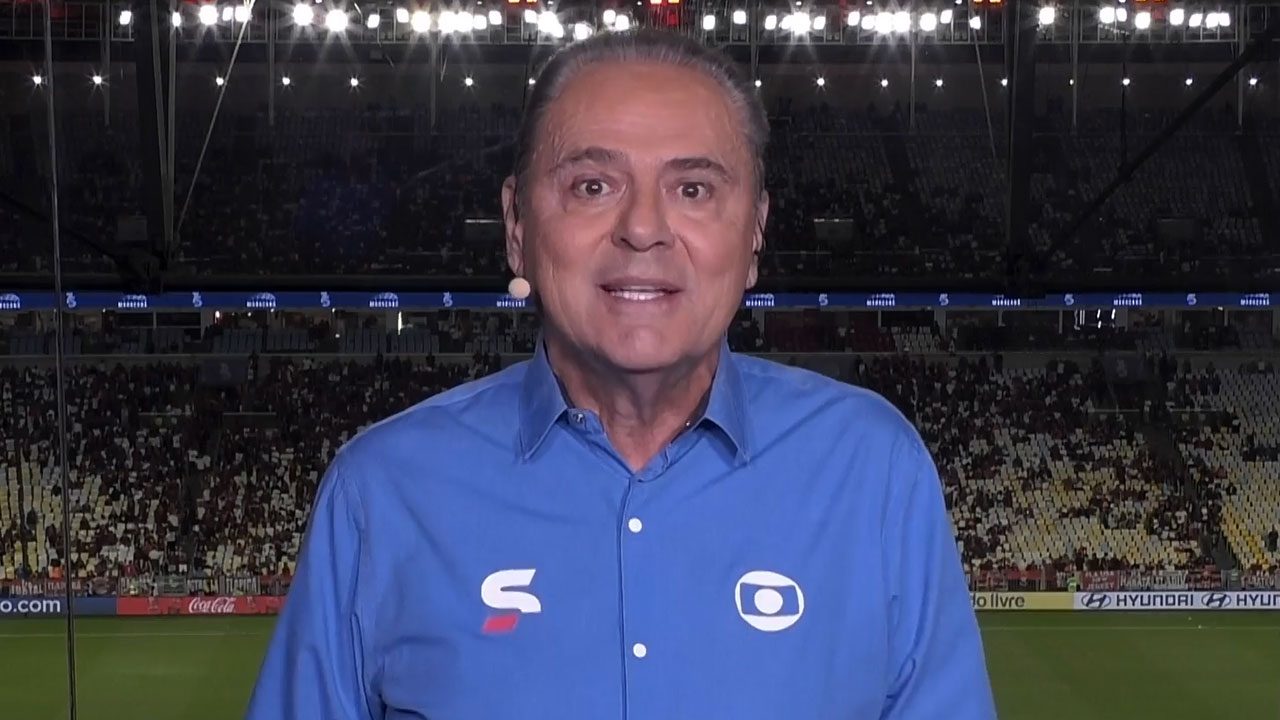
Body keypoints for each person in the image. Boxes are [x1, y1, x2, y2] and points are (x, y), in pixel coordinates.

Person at [247, 29, 995, 719]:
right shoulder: (382, 490)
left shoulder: (872, 469)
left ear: (756, 232)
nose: (642, 229)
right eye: (593, 186)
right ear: (517, 227)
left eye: (693, 189)